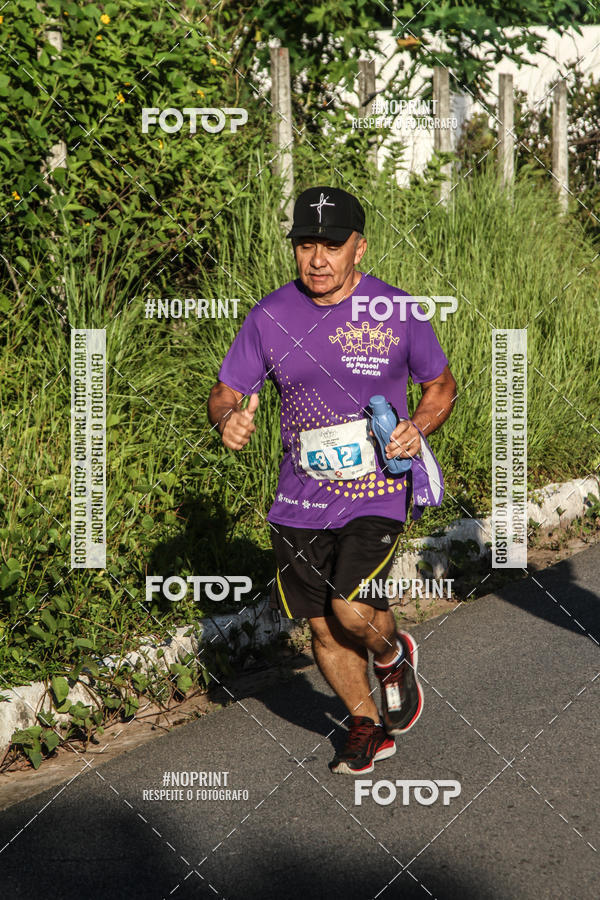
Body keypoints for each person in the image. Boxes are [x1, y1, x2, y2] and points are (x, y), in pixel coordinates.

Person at [207, 185, 456, 775]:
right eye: (305, 245)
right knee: (320, 624)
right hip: (298, 498)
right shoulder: (269, 316)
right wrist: (228, 418)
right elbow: (226, 391)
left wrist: (417, 427)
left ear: (359, 248)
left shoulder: (397, 310)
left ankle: (392, 653)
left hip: (375, 491)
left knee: (349, 608)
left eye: (332, 245)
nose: (317, 258)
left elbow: (440, 387)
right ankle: (365, 724)